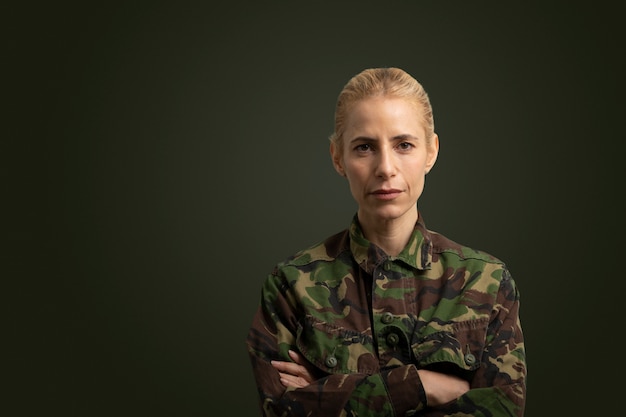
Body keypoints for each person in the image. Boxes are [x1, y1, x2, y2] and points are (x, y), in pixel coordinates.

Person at [246, 67, 526, 416]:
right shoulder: (291, 286)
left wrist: (327, 395)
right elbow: (282, 411)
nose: (386, 168)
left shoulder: (488, 281)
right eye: (364, 147)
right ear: (338, 157)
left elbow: (502, 410)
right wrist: (423, 386)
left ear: (431, 152)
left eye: (404, 145)